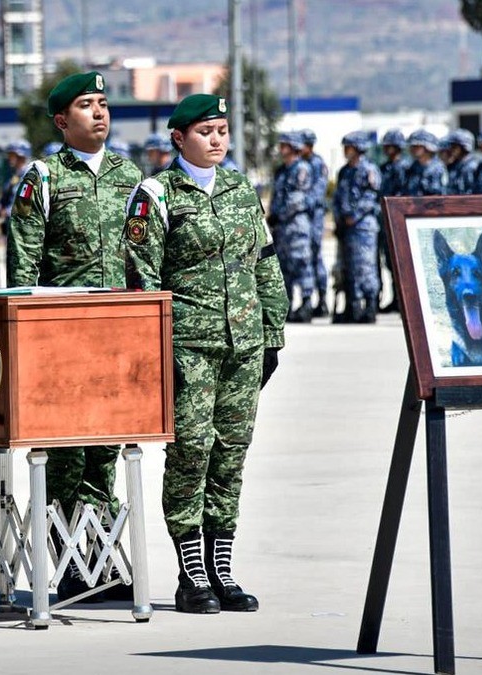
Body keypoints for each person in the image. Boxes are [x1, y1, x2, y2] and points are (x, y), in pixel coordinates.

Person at [124, 93, 287, 614]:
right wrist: (157, 348)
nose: (217, 140)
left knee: (231, 453)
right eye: (205, 132)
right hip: (188, 345)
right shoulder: (155, 194)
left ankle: (222, 568)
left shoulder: (241, 188)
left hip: (244, 343)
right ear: (179, 139)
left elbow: (264, 262)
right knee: (191, 451)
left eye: (222, 130)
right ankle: (190, 572)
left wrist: (273, 333)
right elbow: (141, 279)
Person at [5, 70, 144, 603]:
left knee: (106, 452)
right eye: (87, 105)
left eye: (104, 103)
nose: (100, 112)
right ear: (63, 120)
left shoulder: (129, 176)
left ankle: (101, 557)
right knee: (64, 454)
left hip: (117, 337)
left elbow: (143, 256)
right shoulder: (43, 177)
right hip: (62, 337)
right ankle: (62, 561)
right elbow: (25, 263)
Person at [332, 131, 382, 324]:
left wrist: (354, 216)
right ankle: (353, 307)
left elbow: (371, 197)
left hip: (363, 228)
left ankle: (369, 306)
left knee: (366, 267)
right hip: (346, 228)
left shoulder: (369, 170)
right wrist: (340, 218)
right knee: (349, 268)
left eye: (349, 147)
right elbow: (337, 198)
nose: (346, 151)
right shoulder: (344, 171)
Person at [269, 131, 315, 322]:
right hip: (282, 228)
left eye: (285, 145)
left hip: (296, 225)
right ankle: (287, 304)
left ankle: (306, 303)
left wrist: (280, 214)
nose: (281, 149)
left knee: (302, 264)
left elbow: (297, 198)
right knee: (284, 267)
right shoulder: (282, 170)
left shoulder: (301, 168)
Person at [376, 129, 410, 313]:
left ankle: (401, 299)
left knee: (399, 261)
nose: (387, 149)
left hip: (396, 220)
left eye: (391, 146)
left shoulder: (404, 168)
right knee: (388, 261)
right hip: (383, 220)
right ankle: (395, 298)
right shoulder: (384, 168)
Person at [300, 129, 330, 317]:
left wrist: (302, 204)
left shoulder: (317, 164)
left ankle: (322, 299)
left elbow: (318, 192)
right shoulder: (302, 164)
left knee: (316, 256)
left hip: (315, 217)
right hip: (306, 218)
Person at [403, 129, 449, 198]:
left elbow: (439, 195)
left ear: (427, 148)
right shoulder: (412, 167)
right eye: (412, 146)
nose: (413, 149)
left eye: (417, 146)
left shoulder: (437, 169)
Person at [443, 129, 479, 196]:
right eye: (451, 146)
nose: (451, 149)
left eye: (455, 146)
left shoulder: (471, 166)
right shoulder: (455, 165)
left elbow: (471, 192)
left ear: (464, 147)